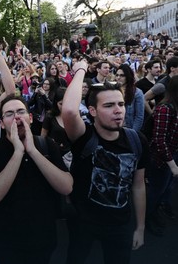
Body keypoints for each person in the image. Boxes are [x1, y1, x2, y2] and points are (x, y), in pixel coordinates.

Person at [62, 60, 148, 264]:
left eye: (120, 104)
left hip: (120, 224)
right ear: (92, 111)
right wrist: (81, 69)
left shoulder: (137, 140)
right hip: (83, 222)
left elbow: (138, 186)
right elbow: (69, 112)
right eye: (108, 105)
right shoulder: (84, 137)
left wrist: (140, 227)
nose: (118, 110)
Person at [0, 95, 73, 263]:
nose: (16, 116)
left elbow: (66, 187)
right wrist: (18, 152)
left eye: (20, 111)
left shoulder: (47, 144)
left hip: (43, 236)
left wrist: (32, 151)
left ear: (30, 118)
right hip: (7, 239)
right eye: (9, 114)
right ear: (1, 124)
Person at [145, 75, 178, 236]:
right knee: (155, 190)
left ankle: (154, 213)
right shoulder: (165, 108)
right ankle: (147, 219)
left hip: (171, 154)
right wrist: (172, 164)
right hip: (159, 159)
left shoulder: (175, 106)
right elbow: (159, 139)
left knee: (162, 189)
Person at [115, 64, 144, 131]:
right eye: (117, 75)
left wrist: (132, 133)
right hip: (114, 128)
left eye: (122, 75)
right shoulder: (112, 91)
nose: (118, 77)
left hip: (129, 128)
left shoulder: (137, 93)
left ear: (128, 77)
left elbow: (139, 117)